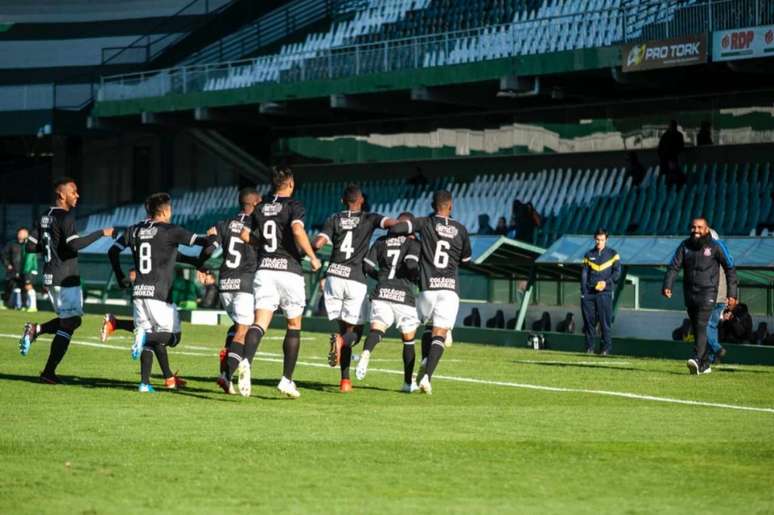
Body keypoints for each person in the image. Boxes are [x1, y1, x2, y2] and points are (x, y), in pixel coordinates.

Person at [225, 166, 321, 399]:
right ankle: (287, 380)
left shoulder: (260, 207)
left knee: (260, 323)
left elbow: (247, 236)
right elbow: (297, 230)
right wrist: (312, 256)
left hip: (264, 270)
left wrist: (264, 246)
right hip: (289, 270)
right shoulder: (294, 205)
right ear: (289, 184)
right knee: (293, 324)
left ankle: (246, 360)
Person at [108, 192, 217, 392]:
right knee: (173, 337)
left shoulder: (134, 229)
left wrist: (120, 276)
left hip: (139, 291)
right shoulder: (170, 230)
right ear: (166, 210)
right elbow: (203, 242)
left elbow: (112, 251)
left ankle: (145, 383)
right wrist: (215, 237)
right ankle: (142, 339)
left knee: (151, 334)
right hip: (160, 293)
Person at [19, 178, 114, 384]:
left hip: (51, 274)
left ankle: (36, 330)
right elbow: (74, 245)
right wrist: (101, 233)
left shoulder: (45, 216)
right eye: (74, 191)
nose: (77, 195)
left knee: (71, 320)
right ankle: (48, 372)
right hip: (65, 276)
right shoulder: (66, 217)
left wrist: (51, 245)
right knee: (70, 322)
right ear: (61, 194)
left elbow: (30, 246)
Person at [311, 184, 400, 392]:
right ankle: (341, 346)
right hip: (355, 279)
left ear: (343, 201)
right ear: (361, 201)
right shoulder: (369, 218)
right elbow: (391, 224)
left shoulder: (334, 218)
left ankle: (345, 380)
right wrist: (408, 226)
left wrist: (308, 246)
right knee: (355, 333)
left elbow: (318, 243)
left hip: (333, 277)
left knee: (344, 328)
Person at [388, 190, 472, 394]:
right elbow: (466, 260)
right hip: (449, 289)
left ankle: (424, 360)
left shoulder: (424, 222)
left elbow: (400, 227)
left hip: (428, 289)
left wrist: (400, 231)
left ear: (432, 205)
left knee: (425, 326)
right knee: (440, 332)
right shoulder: (460, 229)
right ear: (450, 206)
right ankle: (427, 376)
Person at [355, 212, 422, 392]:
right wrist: (417, 279)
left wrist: (380, 279)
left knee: (377, 330)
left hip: (382, 292)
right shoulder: (413, 243)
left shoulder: (380, 242)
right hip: (403, 295)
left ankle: (366, 353)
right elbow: (410, 265)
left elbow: (367, 266)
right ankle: (408, 383)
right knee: (408, 341)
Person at [663, 217, 737, 375]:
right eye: (693, 227)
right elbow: (674, 266)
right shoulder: (685, 246)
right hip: (690, 292)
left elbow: (730, 268)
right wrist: (667, 285)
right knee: (696, 326)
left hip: (708, 292)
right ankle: (705, 364)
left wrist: (732, 294)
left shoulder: (716, 246)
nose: (696, 230)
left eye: (699, 227)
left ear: (706, 229)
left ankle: (697, 358)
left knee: (702, 324)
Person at [208, 187, 261, 397]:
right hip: (244, 283)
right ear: (255, 204)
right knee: (244, 330)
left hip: (225, 283)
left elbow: (210, 247)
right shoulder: (257, 225)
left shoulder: (224, 223)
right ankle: (228, 373)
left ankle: (225, 370)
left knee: (236, 327)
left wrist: (202, 266)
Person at [580, 228, 622, 355]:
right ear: (594, 239)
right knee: (589, 322)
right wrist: (583, 291)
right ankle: (589, 348)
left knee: (605, 322)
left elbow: (617, 273)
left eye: (602, 240)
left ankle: (605, 349)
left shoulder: (613, 254)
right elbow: (584, 274)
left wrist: (606, 283)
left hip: (605, 293)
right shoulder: (588, 255)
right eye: (597, 240)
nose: (599, 242)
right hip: (589, 294)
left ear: (606, 240)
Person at [705, 228, 729, 364]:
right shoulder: (724, 254)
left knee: (703, 326)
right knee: (712, 326)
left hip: (711, 295)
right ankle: (711, 358)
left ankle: (717, 348)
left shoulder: (709, 256)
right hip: (721, 296)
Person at [2, 228, 28, 309]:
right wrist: (8, 265)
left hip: (24, 270)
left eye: (24, 233)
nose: (21, 235)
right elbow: (3, 255)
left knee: (24, 288)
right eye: (20, 233)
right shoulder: (11, 244)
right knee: (9, 287)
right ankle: (5, 304)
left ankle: (24, 306)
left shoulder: (29, 245)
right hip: (12, 270)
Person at [658, 120, 686, 189]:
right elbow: (660, 147)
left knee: (671, 175)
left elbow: (680, 147)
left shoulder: (672, 135)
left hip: (671, 157)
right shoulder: (667, 135)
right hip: (666, 158)